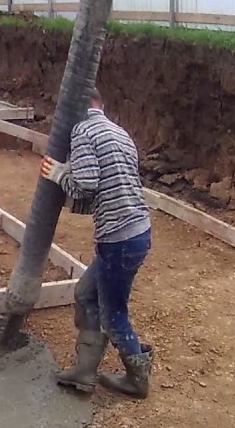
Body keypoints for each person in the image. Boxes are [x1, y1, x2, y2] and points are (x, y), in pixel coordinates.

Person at [39, 88, 154, 399]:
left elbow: (86, 186)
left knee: (113, 313)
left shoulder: (83, 129)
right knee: (85, 293)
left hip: (119, 239)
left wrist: (59, 173)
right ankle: (85, 372)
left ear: (81, 105)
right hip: (135, 233)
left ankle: (137, 379)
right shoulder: (119, 132)